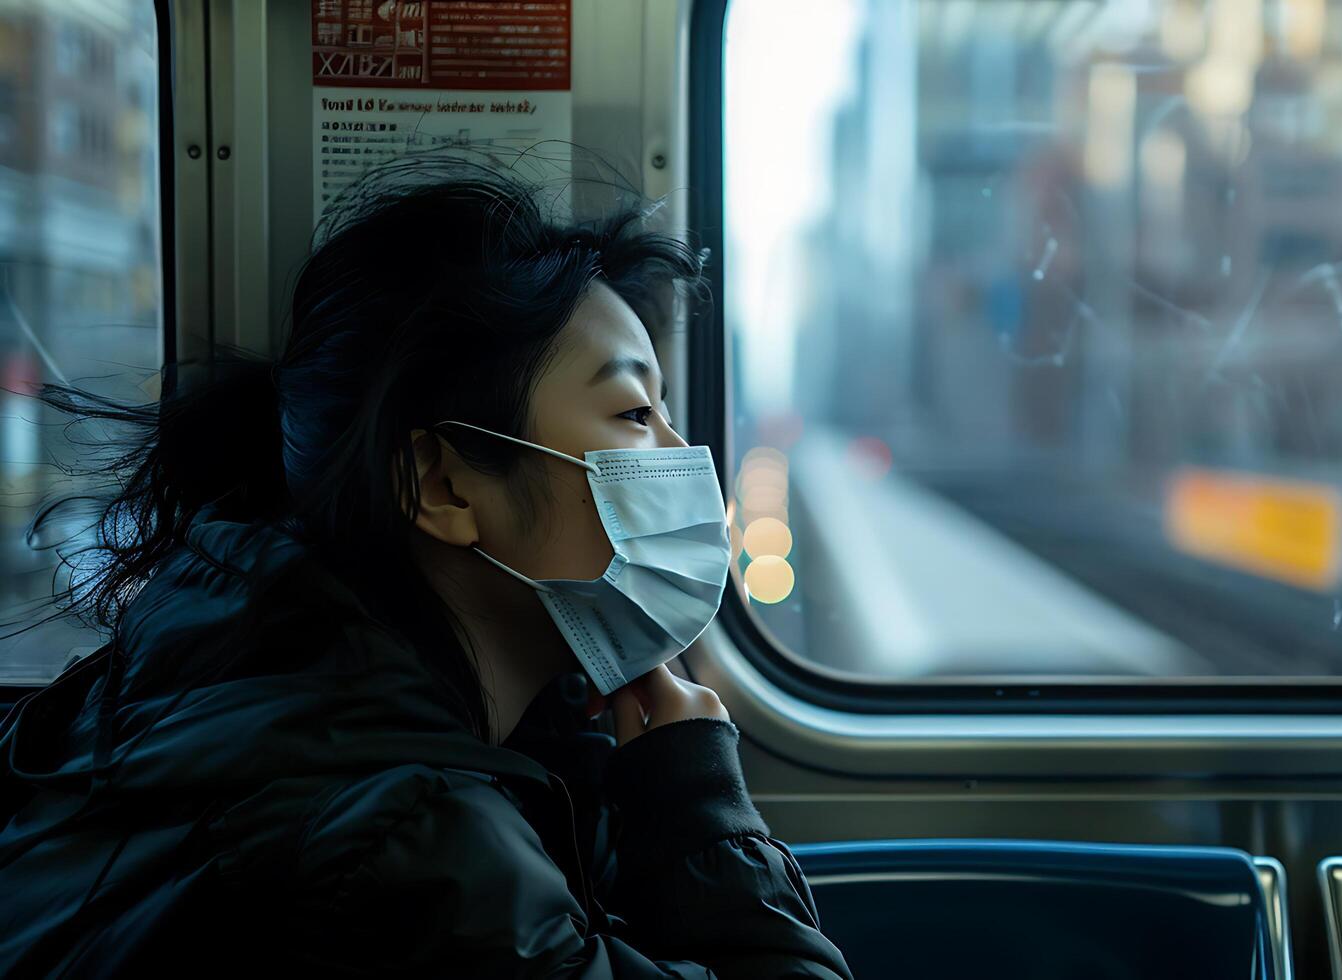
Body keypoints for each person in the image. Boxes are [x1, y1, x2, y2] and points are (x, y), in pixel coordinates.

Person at [0, 157, 852, 978]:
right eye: (634, 412)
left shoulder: (252, 685)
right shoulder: (404, 851)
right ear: (442, 485)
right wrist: (691, 798)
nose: (681, 455)